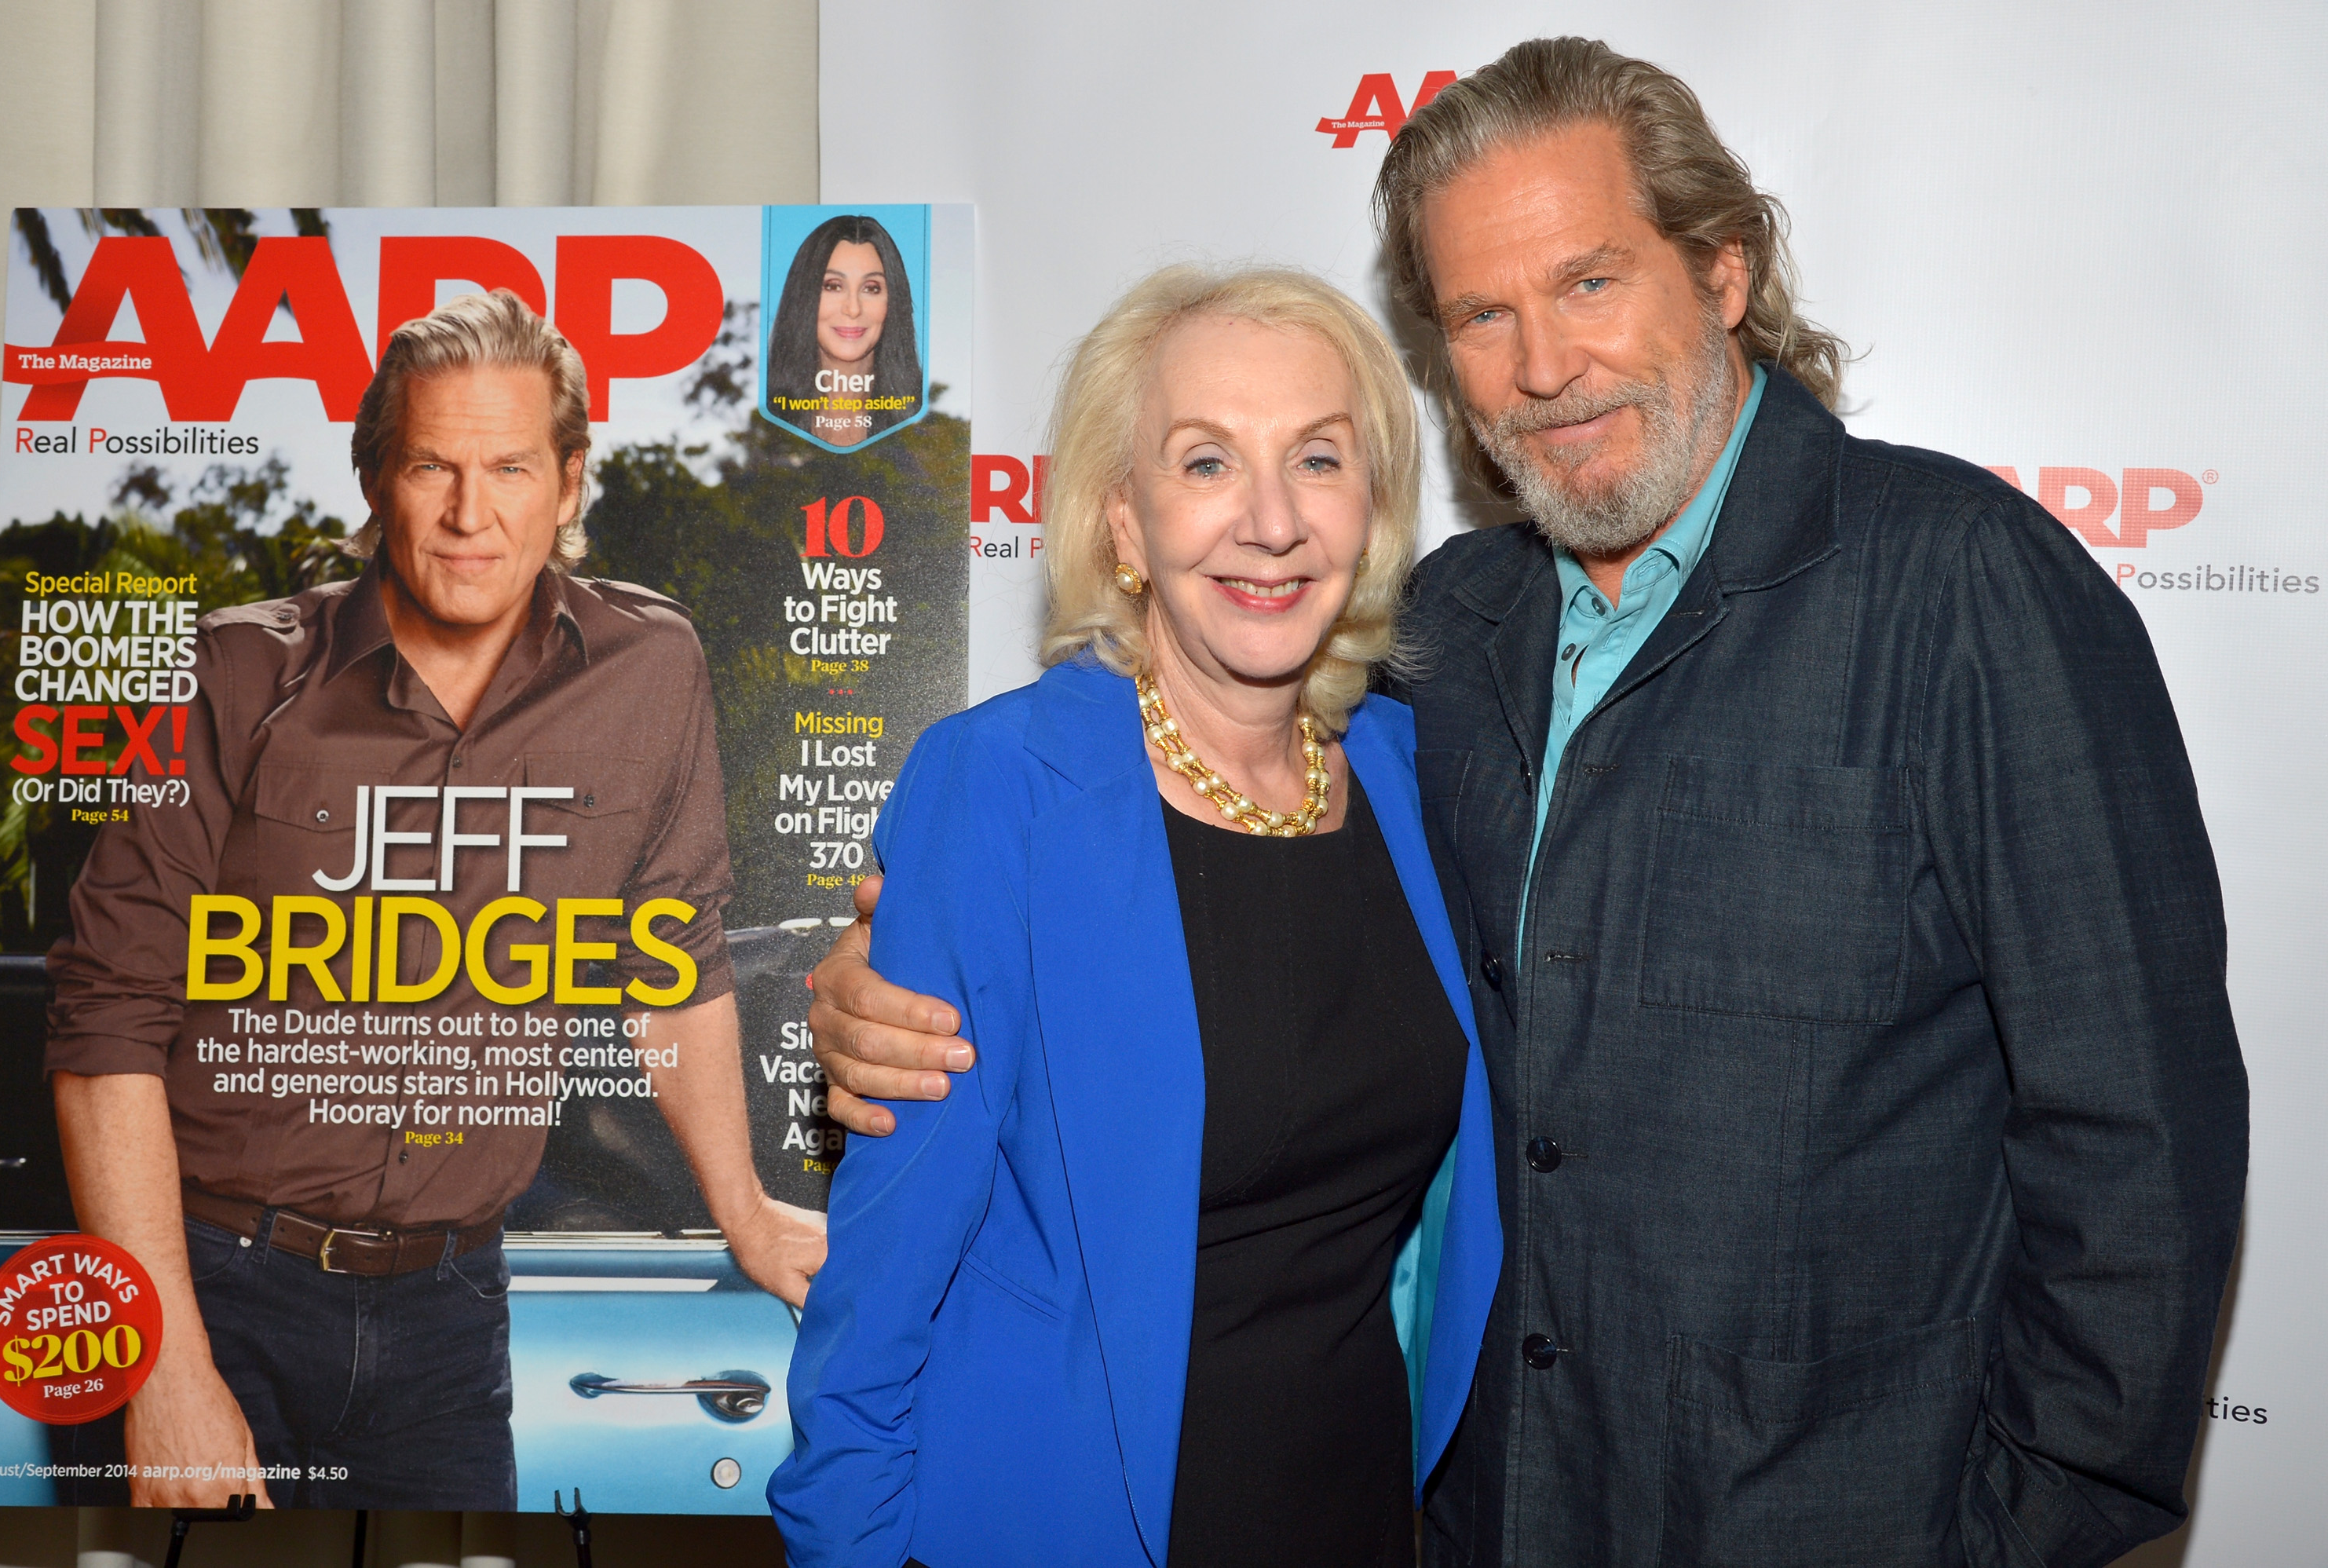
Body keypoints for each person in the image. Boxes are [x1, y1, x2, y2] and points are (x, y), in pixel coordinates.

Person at [802, 38, 2247, 1568]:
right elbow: (1178, 852)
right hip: (1474, 1515)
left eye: (1589, 282)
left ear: (1725, 269)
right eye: (1482, 314)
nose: (1542, 365)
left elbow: (2138, 1146)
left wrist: (2016, 1537)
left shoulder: (1966, 591)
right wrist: (886, 986)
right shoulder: (1449, 639)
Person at [767, 265, 1501, 1568]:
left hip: (1354, 1518)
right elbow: (879, 1288)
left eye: (1318, 459)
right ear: (1124, 519)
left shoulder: (1410, 771)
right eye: (1207, 461)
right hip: (1059, 1528)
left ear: (1373, 508)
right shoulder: (1002, 787)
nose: (1270, 521)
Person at [46, 289, 827, 1511]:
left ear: (569, 483)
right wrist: (163, 1366)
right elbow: (105, 1020)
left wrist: (746, 1210)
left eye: (511, 467)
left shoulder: (652, 667)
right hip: (217, 1281)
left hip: (451, 1318)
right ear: (375, 479)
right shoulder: (235, 670)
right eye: (432, 467)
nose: (472, 513)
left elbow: (672, 964)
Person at [766, 213, 923, 448]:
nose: (853, 309)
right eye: (833, 286)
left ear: (893, 302)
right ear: (803, 296)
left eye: (871, 288)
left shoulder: (924, 420)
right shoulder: (762, 416)